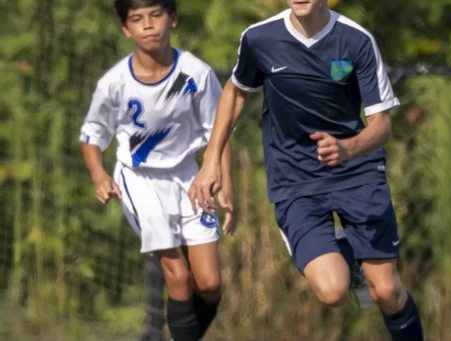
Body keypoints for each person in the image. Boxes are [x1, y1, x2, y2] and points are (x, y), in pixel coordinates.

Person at [187, 0, 424, 340]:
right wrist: (211, 161)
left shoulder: (356, 41)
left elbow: (382, 125)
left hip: (356, 172)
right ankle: (350, 259)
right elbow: (236, 92)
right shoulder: (259, 38)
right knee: (333, 291)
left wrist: (346, 148)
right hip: (296, 178)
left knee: (386, 292)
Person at [79, 1, 236, 340]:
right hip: (140, 180)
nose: (148, 25)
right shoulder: (115, 83)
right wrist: (99, 174)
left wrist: (226, 185)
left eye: (156, 15)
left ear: (173, 18)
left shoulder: (196, 74)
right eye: (137, 19)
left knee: (209, 284)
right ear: (126, 29)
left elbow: (218, 133)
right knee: (178, 275)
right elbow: (91, 137)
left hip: (190, 177)